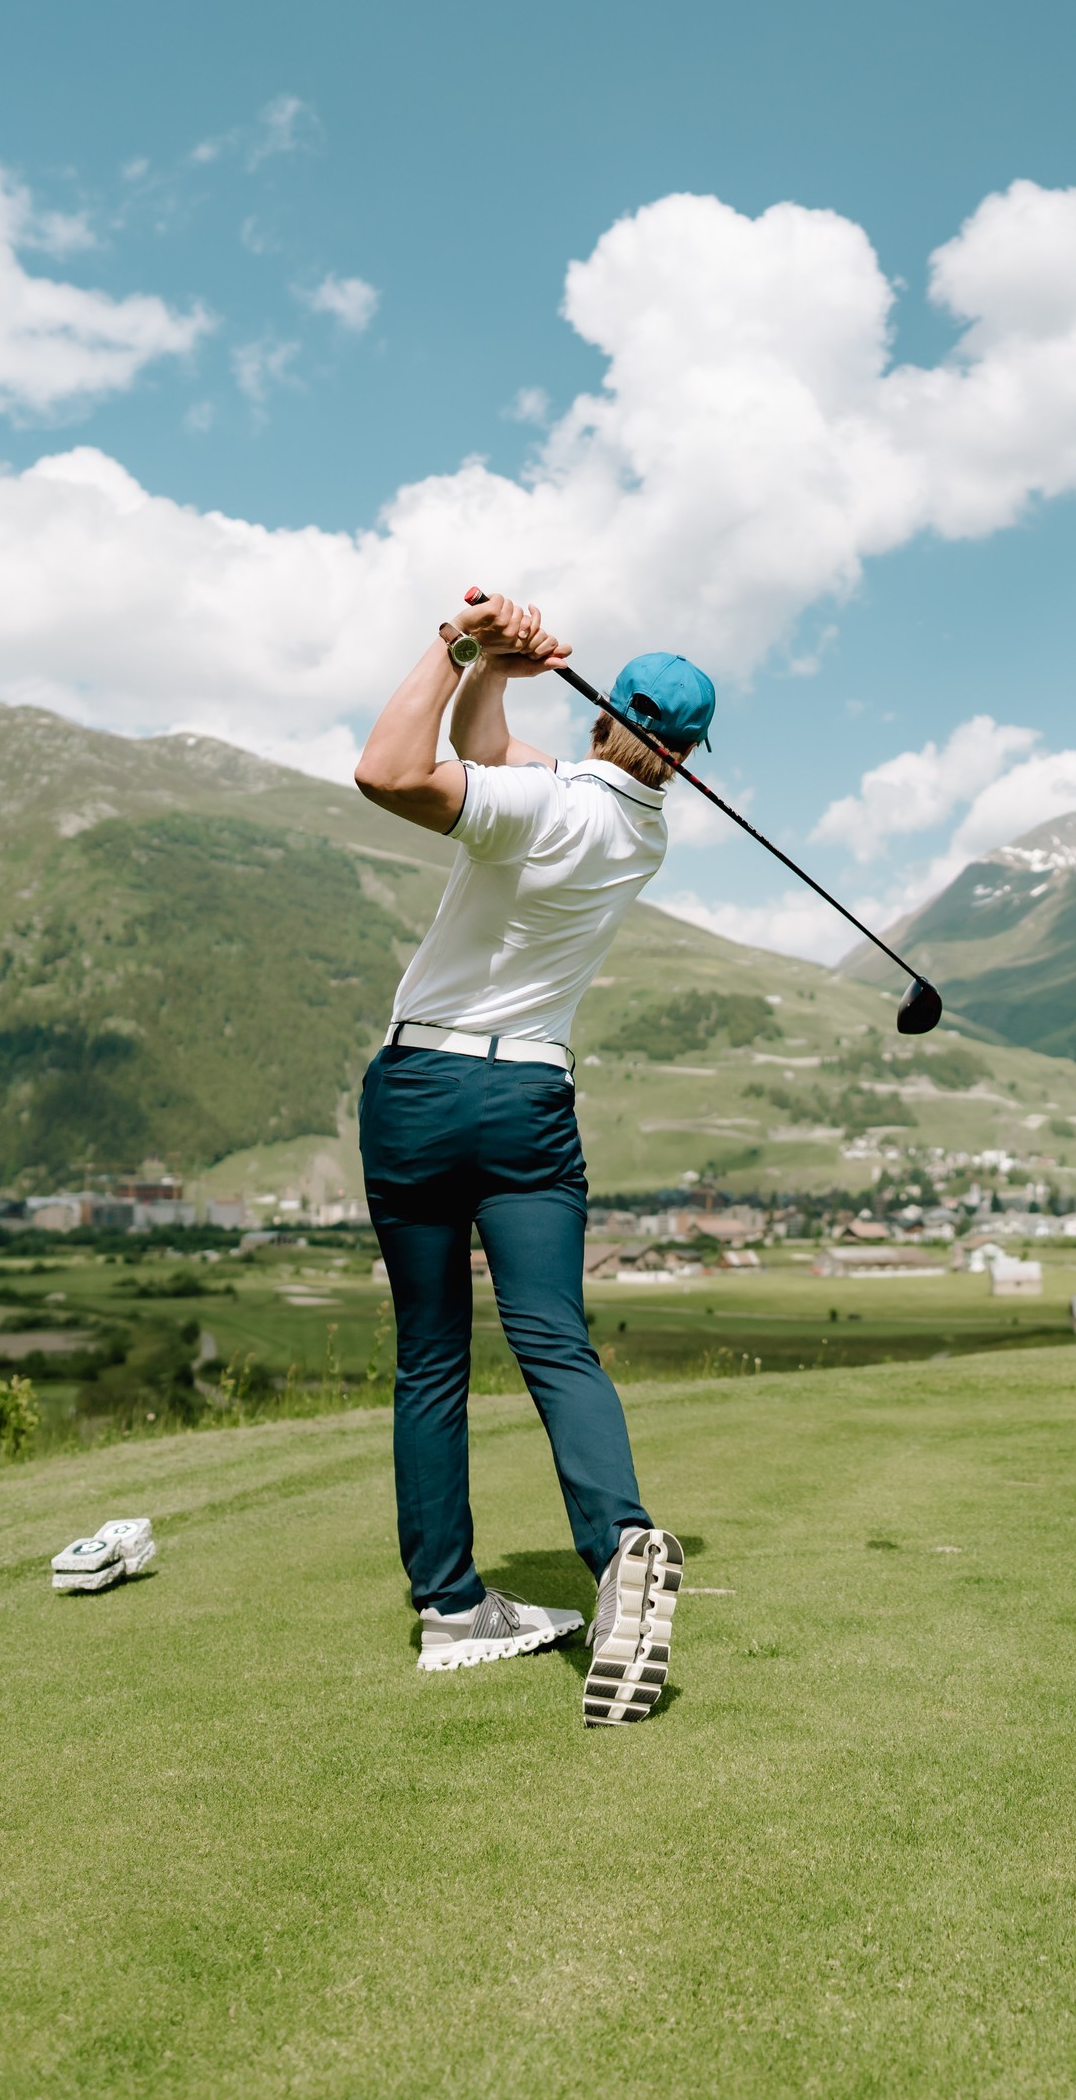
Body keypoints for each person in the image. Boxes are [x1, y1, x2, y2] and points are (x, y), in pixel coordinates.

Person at [350, 588, 708, 1726]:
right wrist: (501, 669)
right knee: (555, 1343)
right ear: (683, 749)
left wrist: (454, 644)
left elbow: (390, 771)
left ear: (609, 714)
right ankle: (618, 1555)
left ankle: (450, 1605)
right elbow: (487, 749)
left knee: (431, 1359)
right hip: (528, 1101)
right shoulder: (634, 828)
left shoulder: (539, 809)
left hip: (417, 1088)